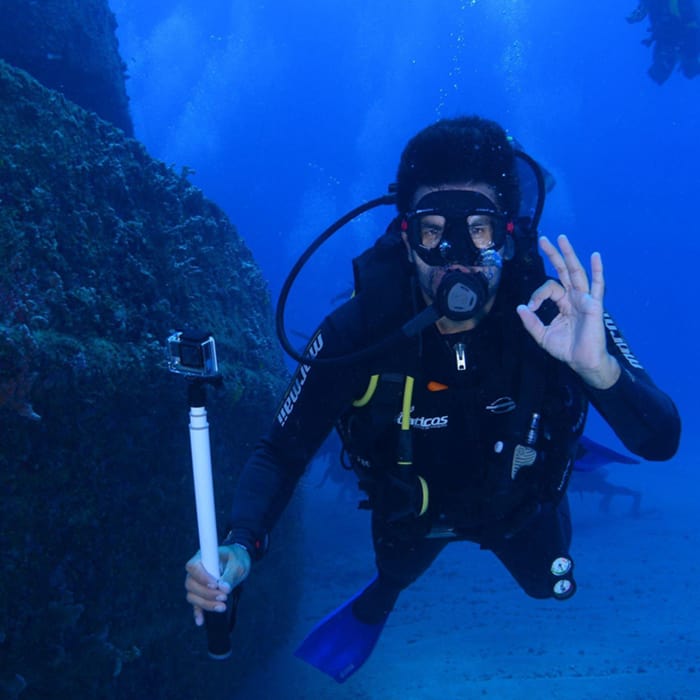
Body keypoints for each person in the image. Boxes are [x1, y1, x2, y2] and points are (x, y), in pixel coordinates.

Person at [185, 115, 681, 682]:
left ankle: (559, 444)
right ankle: (381, 600)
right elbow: (281, 450)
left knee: (548, 587)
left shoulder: (557, 312)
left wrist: (599, 373)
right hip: (411, 516)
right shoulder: (358, 330)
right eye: (431, 231)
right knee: (394, 574)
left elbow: (663, 440)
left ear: (508, 234)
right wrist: (241, 544)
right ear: (405, 235)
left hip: (519, 505)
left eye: (480, 229)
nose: (455, 255)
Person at [627, 0, 700, 83]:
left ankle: (688, 61)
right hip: (672, 33)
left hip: (683, 33)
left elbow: (693, 26)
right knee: (659, 72)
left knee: (687, 67)